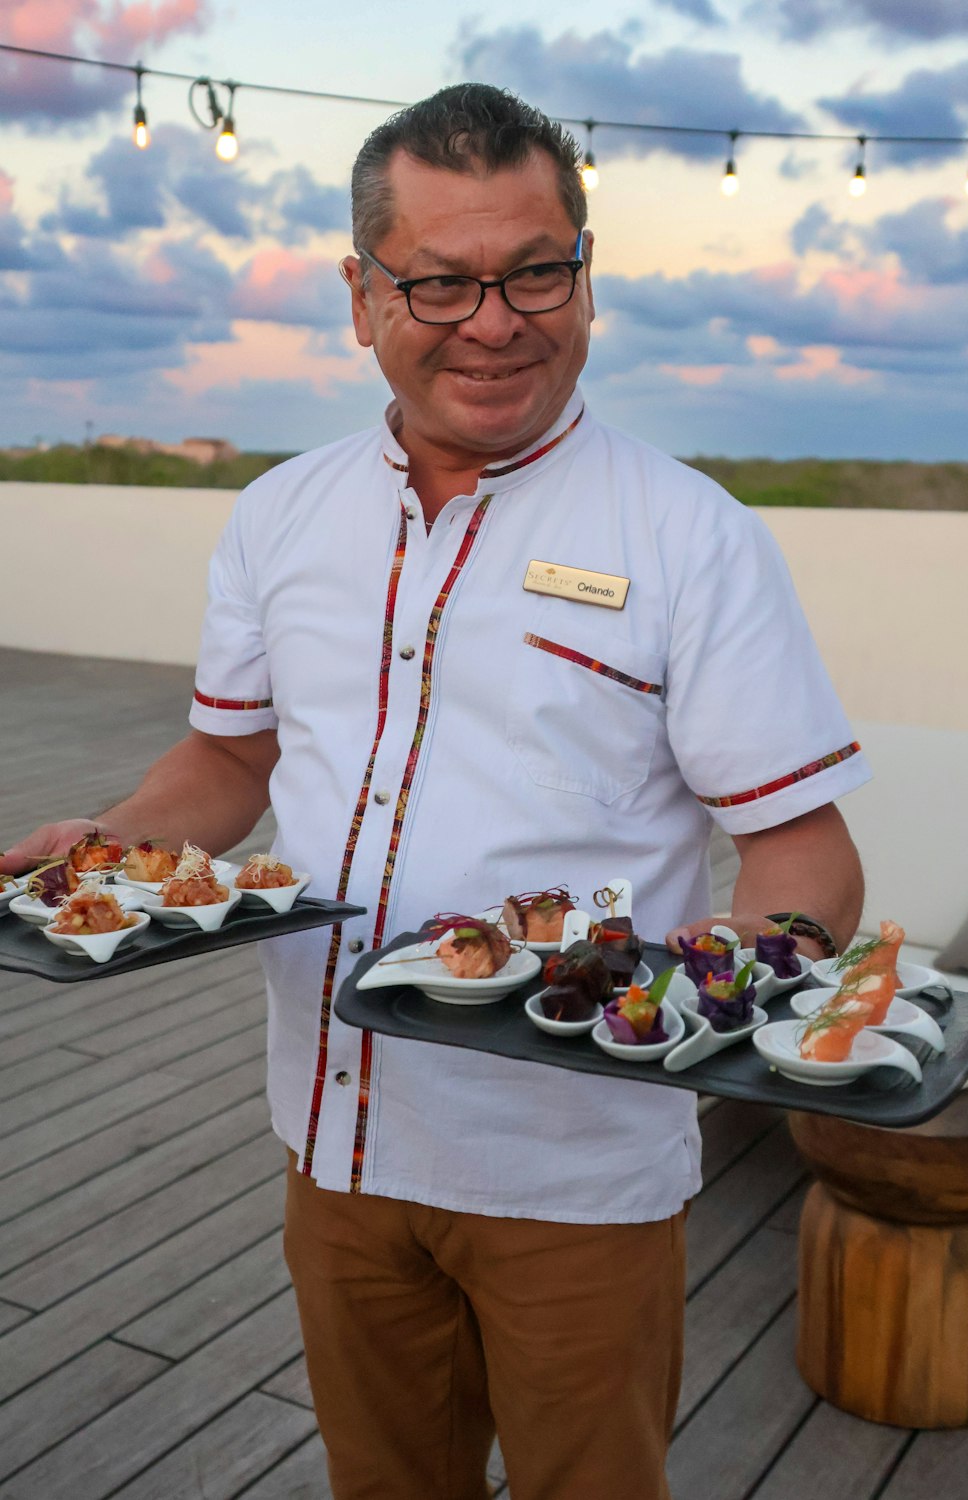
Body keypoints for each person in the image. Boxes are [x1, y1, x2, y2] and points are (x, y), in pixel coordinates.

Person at [2, 84, 869, 1500]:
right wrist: (109, 848)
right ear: (361, 296)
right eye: (442, 281)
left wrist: (745, 979)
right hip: (333, 1137)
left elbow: (801, 850)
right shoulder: (280, 515)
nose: (495, 318)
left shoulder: (690, 536)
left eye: (537, 270)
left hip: (573, 1171)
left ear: (585, 277)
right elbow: (231, 759)